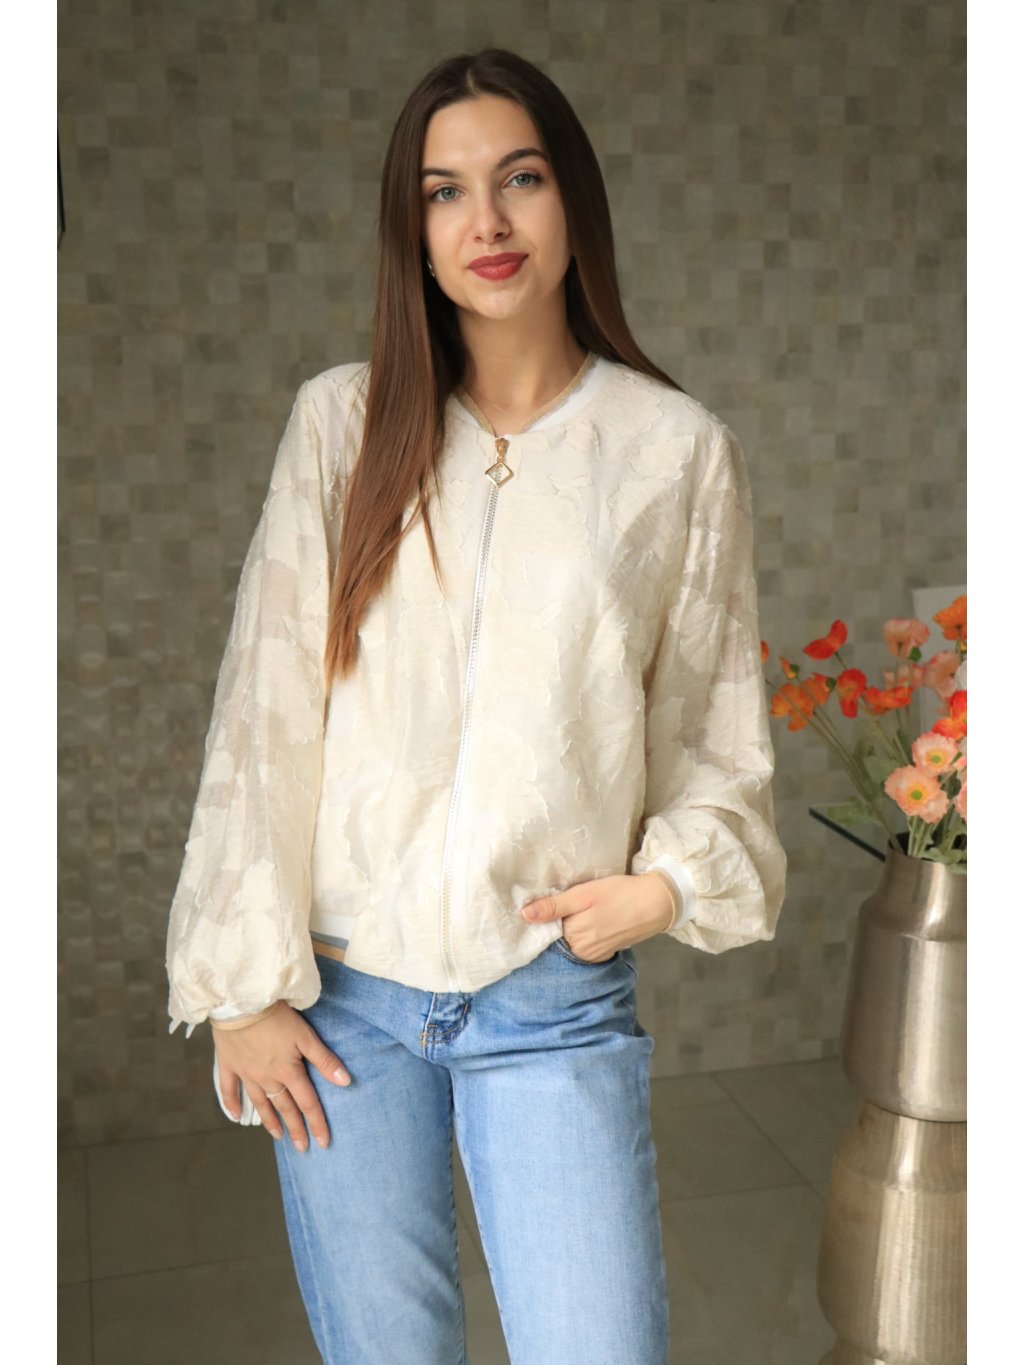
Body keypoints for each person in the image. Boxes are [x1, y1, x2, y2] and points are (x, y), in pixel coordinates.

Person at [166, 47, 786, 1365]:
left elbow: (712, 734)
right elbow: (263, 707)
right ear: (414, 229)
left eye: (521, 179)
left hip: (548, 994)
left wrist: (666, 884)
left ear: (574, 200)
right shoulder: (340, 424)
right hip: (340, 1002)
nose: (487, 221)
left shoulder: (676, 451)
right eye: (444, 192)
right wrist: (238, 989)